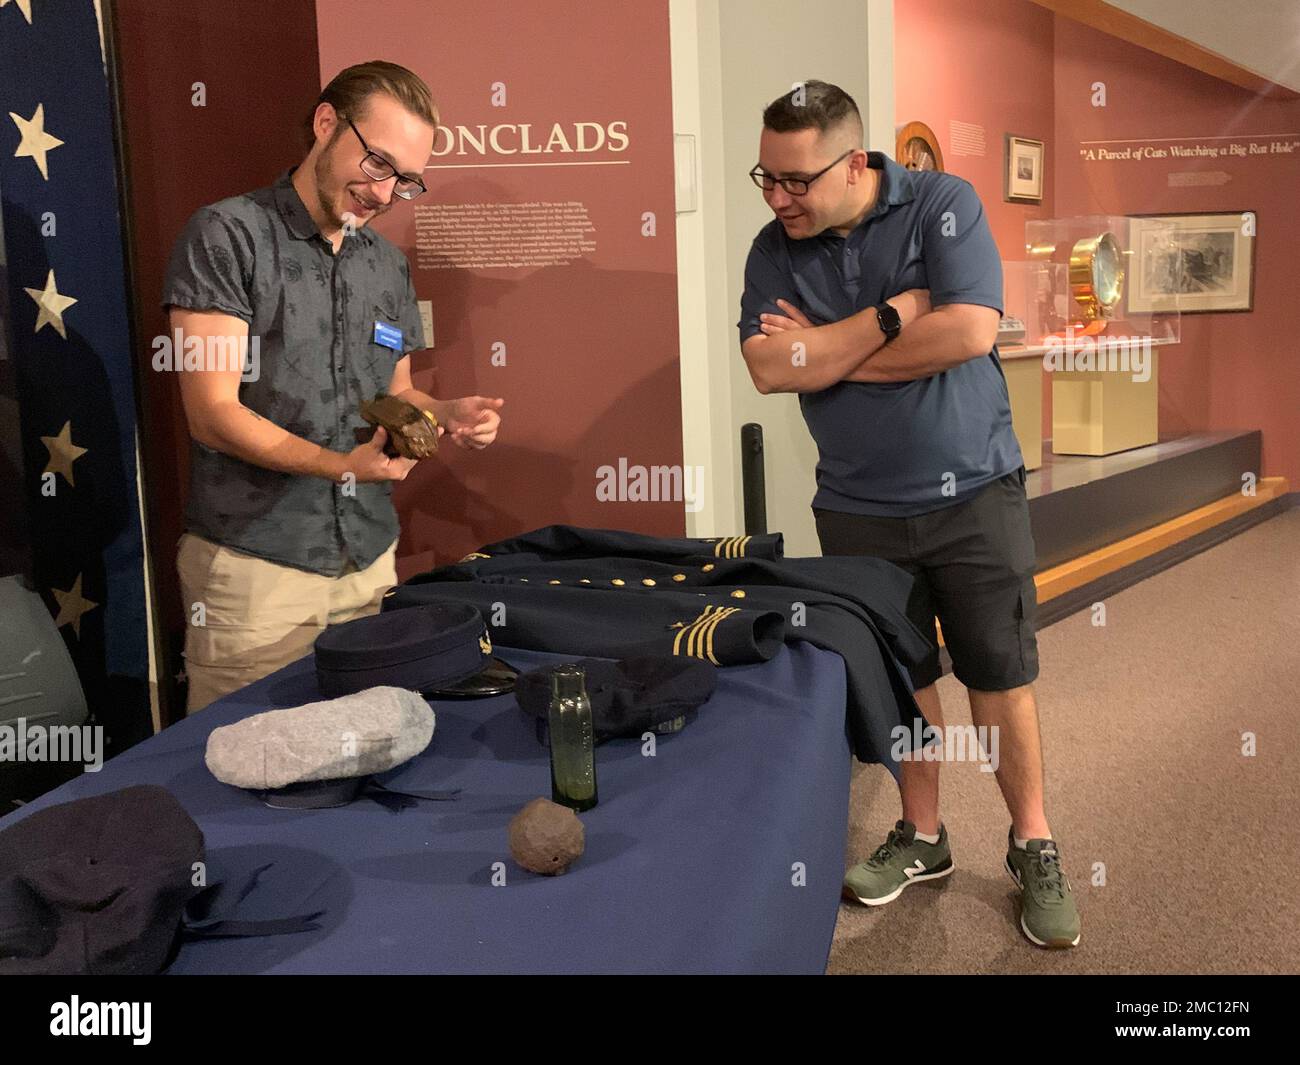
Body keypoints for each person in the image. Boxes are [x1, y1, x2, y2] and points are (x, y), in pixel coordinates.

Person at [737, 80, 1080, 949]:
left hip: (974, 491)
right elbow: (772, 368)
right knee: (902, 677)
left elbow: (967, 332)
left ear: (856, 162)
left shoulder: (942, 204)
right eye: (765, 179)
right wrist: (889, 318)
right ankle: (923, 835)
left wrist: (828, 351)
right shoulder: (771, 249)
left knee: (998, 673)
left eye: (796, 181)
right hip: (855, 504)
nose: (779, 199)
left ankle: (1032, 839)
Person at [163, 60, 503, 714]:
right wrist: (340, 467)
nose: (383, 193)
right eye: (378, 163)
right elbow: (210, 413)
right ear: (326, 124)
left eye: (405, 181)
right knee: (250, 774)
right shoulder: (227, 235)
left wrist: (446, 410)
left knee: (368, 753)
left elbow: (396, 394)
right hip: (255, 575)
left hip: (369, 567)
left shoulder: (388, 265)